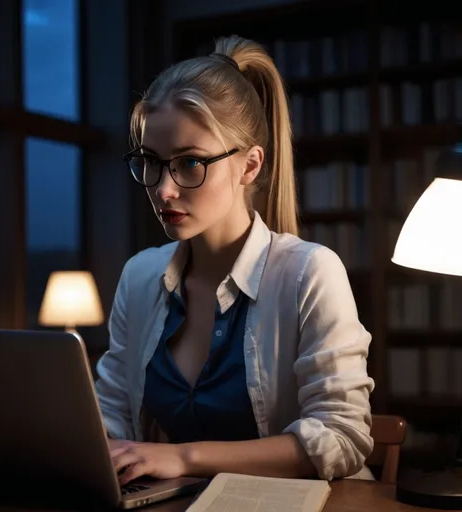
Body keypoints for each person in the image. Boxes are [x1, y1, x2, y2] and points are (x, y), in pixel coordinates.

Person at [95, 35, 375, 487]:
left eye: (189, 164)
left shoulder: (310, 273)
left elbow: (343, 436)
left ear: (250, 166)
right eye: (150, 161)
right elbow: (110, 417)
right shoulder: (140, 276)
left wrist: (184, 458)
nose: (163, 189)